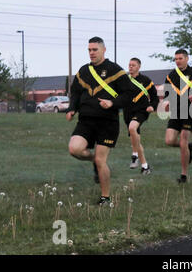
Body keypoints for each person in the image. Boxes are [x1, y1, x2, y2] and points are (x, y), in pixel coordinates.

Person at [66, 37, 133, 206]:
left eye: (95, 49)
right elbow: (75, 92)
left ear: (104, 50)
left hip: (107, 122)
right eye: (89, 50)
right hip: (86, 121)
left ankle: (105, 198)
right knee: (74, 149)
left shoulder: (115, 70)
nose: (91, 53)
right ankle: (94, 161)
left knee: (101, 160)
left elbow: (129, 95)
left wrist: (112, 103)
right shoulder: (83, 71)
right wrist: (71, 108)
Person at [163, 49, 192, 183]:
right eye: (176, 59)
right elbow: (167, 93)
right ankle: (188, 147)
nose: (178, 61)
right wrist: (166, 102)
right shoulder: (171, 75)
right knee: (169, 141)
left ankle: (184, 175)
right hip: (177, 111)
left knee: (183, 138)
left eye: (180, 58)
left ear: (187, 59)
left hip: (191, 111)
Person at [123, 58, 159, 174]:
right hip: (127, 112)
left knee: (132, 128)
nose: (131, 67)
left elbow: (154, 96)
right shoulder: (124, 80)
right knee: (134, 135)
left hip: (141, 111)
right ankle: (136, 157)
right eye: (129, 65)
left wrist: (152, 106)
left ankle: (144, 164)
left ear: (139, 66)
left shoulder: (146, 80)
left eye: (133, 65)